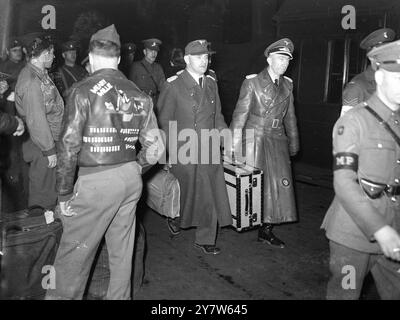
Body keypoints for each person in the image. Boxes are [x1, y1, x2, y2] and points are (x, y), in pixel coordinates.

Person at [45, 24, 164, 300]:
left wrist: (63, 193)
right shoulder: (139, 94)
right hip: (130, 181)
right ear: (119, 59)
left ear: (92, 57)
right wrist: (136, 166)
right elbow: (156, 148)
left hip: (95, 183)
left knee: (71, 260)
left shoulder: (82, 90)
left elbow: (68, 146)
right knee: (122, 256)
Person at [321, 39, 400, 300]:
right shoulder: (354, 122)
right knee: (345, 295)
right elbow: (344, 183)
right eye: (396, 76)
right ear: (379, 76)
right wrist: (379, 229)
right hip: (353, 234)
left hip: (394, 230)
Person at [157, 39, 232, 255]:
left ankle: (205, 238)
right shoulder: (173, 85)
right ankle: (175, 216)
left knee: (210, 193)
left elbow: (218, 116)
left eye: (206, 56)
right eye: (198, 57)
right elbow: (164, 122)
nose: (204, 61)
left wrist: (225, 139)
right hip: (183, 148)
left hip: (208, 148)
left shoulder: (211, 83)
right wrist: (166, 155)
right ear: (187, 59)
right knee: (185, 193)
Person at [230, 38, 299, 248]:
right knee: (254, 185)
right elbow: (240, 114)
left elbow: (291, 117)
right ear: (269, 59)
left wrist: (294, 142)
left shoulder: (287, 84)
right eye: (279, 58)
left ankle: (266, 229)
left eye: (286, 60)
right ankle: (245, 220)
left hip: (277, 137)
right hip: (256, 137)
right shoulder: (253, 82)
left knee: (277, 186)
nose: (283, 63)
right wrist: (233, 145)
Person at [15, 34, 64, 209]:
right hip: (42, 143)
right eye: (52, 52)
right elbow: (36, 119)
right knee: (43, 192)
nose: (54, 56)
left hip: (47, 138)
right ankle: (41, 230)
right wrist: (49, 149)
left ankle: (49, 229)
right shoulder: (32, 81)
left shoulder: (40, 73)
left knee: (50, 187)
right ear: (43, 54)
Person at [341, 28, 395, 116]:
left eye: (389, 53)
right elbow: (348, 126)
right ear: (371, 57)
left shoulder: (393, 81)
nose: (387, 57)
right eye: (382, 54)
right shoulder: (357, 87)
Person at [129, 38, 165, 105]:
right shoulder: (136, 67)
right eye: (151, 51)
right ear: (144, 52)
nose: (153, 54)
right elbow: (131, 88)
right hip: (141, 104)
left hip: (155, 104)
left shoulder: (158, 68)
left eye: (156, 51)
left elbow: (163, 88)